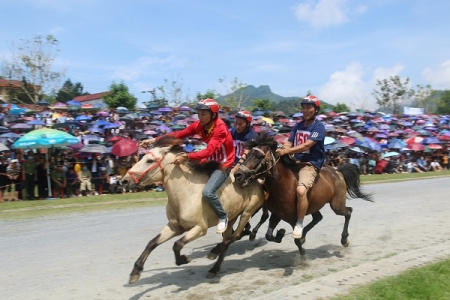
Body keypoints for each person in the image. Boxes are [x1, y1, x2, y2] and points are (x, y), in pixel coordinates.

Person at [139, 99, 235, 234]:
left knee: (207, 192)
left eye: (203, 114)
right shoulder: (199, 125)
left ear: (213, 115)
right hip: (209, 161)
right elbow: (177, 134)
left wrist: (187, 156)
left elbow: (209, 151)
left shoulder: (221, 129)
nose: (200, 117)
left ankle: (223, 216)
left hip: (223, 164)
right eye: (199, 114)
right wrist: (154, 140)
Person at [275, 95, 326, 239]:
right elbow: (290, 142)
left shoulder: (318, 127)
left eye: (308, 107)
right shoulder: (298, 125)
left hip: (309, 164)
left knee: (301, 190)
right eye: (303, 107)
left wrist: (287, 151)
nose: (305, 110)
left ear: (315, 110)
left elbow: (306, 146)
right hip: (294, 161)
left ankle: (299, 223)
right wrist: (283, 149)